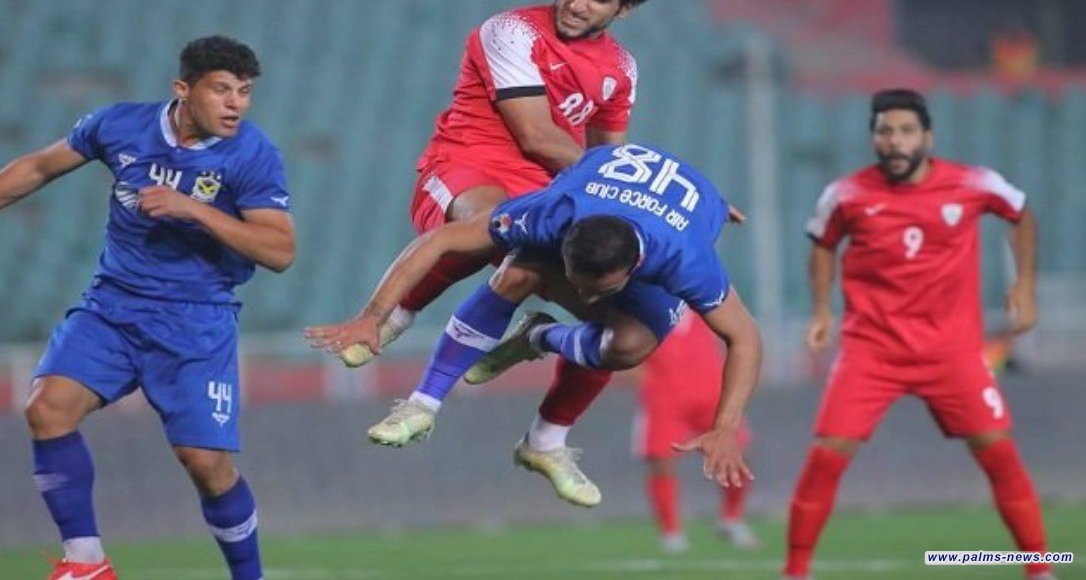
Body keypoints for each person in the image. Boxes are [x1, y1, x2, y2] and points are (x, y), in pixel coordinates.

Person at [332, 0, 669, 506]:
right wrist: (631, 181)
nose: (578, 2)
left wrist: (630, 190)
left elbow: (608, 153)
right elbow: (537, 137)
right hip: (466, 166)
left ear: (623, 9)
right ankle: (397, 329)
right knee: (497, 227)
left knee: (627, 314)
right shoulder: (510, 31)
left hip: (545, 193)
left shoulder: (621, 68)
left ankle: (546, 436)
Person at [307, 142, 763, 496]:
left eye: (597, 289)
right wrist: (372, 317)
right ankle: (422, 403)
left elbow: (745, 340)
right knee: (518, 270)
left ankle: (540, 337)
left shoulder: (687, 261)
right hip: (603, 184)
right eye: (575, 280)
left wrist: (725, 426)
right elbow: (442, 241)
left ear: (632, 270)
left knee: (628, 346)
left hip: (675, 213)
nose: (581, 296)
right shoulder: (554, 211)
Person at [4, 36, 295, 580]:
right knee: (47, 409)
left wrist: (194, 209)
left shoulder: (253, 154)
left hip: (195, 321)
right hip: (112, 306)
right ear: (183, 90)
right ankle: (87, 563)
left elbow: (279, 251)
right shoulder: (119, 126)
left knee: (207, 466)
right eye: (222, 89)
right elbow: (40, 168)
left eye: (245, 92)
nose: (236, 103)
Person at [781, 88, 1055, 580]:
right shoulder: (846, 194)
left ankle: (1038, 567)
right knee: (826, 458)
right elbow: (822, 245)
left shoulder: (972, 183)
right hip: (872, 351)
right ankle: (795, 571)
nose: (896, 141)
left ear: (927, 137)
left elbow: (1021, 212)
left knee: (999, 453)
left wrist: (1025, 285)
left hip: (951, 351)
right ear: (874, 140)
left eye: (906, 131)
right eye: (885, 132)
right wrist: (822, 309)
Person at [633, 309, 759, 553]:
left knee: (737, 451)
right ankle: (671, 532)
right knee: (661, 460)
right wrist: (640, 376)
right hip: (664, 394)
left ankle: (731, 519)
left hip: (711, 390)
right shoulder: (644, 304)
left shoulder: (702, 297)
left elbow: (739, 335)